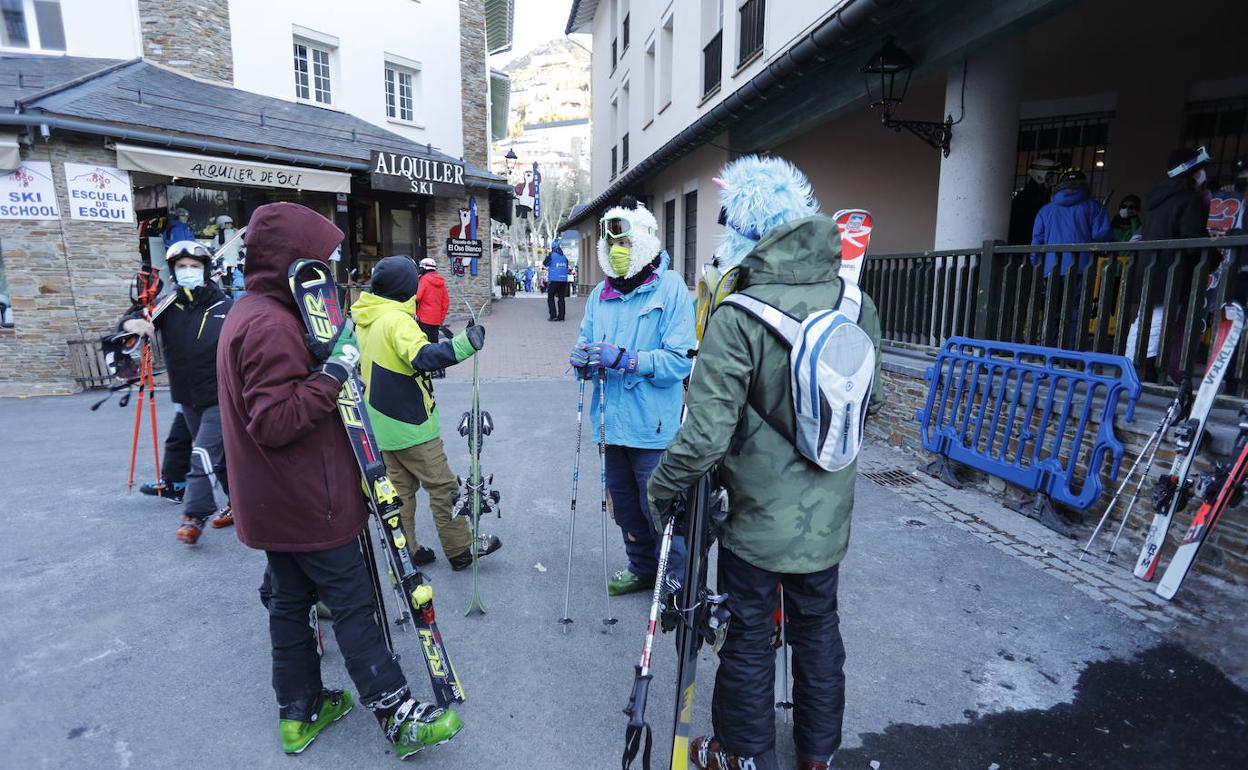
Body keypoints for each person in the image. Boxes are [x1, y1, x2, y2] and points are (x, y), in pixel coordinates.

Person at [646, 156, 884, 770]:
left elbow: (703, 438)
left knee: (748, 637)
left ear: (745, 234)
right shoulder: (853, 303)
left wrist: (661, 489)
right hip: (829, 518)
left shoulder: (738, 316)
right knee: (818, 631)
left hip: (755, 521)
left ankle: (742, 756)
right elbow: (870, 405)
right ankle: (815, 758)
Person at [216, 202, 463, 758]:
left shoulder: (254, 309)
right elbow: (274, 420)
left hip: (273, 500)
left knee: (289, 602)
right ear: (292, 259)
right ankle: (399, 715)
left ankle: (298, 712)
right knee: (354, 605)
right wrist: (334, 372)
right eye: (322, 259)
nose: (329, 270)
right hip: (309, 499)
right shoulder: (270, 324)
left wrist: (321, 357)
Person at [568, 195, 694, 596]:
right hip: (609, 423)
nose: (616, 251)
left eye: (623, 244)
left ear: (641, 243)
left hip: (653, 426)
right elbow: (586, 343)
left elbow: (680, 362)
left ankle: (673, 578)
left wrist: (625, 359)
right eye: (611, 245)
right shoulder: (598, 295)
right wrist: (582, 361)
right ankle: (641, 568)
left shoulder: (670, 289)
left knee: (657, 507)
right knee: (623, 507)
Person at [352, 255, 502, 571]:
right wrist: (465, 344)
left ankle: (405, 551)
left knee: (400, 492)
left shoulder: (366, 319)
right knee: (443, 487)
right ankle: (461, 549)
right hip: (411, 424)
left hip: (382, 424)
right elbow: (423, 357)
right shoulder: (397, 321)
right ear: (408, 287)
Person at [122, 240, 232, 544]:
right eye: (182, 267)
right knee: (218, 460)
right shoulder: (167, 306)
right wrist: (134, 323)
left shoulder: (224, 305)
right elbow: (130, 323)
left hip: (220, 395)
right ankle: (239, 503)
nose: (188, 271)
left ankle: (194, 515)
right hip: (188, 397)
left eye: (194, 266)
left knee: (203, 455)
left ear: (206, 270)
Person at [1125, 147, 1212, 374]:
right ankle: (1144, 375)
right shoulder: (1189, 200)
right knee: (1157, 325)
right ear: (1192, 172)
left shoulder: (1157, 198)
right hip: (1170, 274)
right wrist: (1214, 257)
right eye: (1201, 169)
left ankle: (1129, 369)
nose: (1203, 174)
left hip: (1150, 270)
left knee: (1143, 323)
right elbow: (1193, 239)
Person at [1029, 169, 1111, 278]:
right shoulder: (1095, 207)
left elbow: (1037, 241)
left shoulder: (1045, 210)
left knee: (1052, 295)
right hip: (1083, 268)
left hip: (1051, 268)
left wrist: (1034, 264)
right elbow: (1101, 236)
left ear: (1060, 185)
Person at [1008, 157, 1059, 245]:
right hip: (1025, 248)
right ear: (1040, 176)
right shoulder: (1030, 198)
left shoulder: (1038, 196)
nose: (1053, 181)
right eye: (1050, 176)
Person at [414, 257, 450, 378]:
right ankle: (439, 370)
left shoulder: (424, 280)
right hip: (436, 320)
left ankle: (428, 370)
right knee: (435, 344)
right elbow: (446, 302)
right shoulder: (441, 281)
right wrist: (441, 319)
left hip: (424, 318)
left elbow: (417, 297)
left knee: (424, 345)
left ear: (424, 268)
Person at [544, 238, 571, 321]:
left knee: (550, 297)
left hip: (554, 279)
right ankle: (561, 316)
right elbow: (566, 265)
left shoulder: (552, 255)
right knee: (561, 298)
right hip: (563, 280)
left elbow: (545, 263)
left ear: (553, 247)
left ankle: (553, 315)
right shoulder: (564, 257)